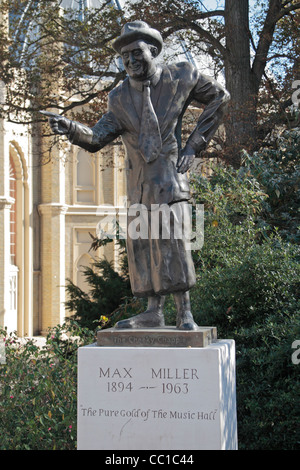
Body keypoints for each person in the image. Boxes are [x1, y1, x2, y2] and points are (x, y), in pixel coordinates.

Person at [43, 21, 230, 330]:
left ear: (153, 51)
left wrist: (194, 145)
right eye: (125, 56)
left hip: (170, 179)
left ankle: (185, 313)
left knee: (174, 242)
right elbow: (97, 136)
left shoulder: (179, 76)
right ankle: (153, 311)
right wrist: (71, 128)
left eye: (136, 53)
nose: (130, 61)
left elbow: (220, 97)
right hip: (139, 186)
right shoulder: (118, 98)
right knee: (142, 247)